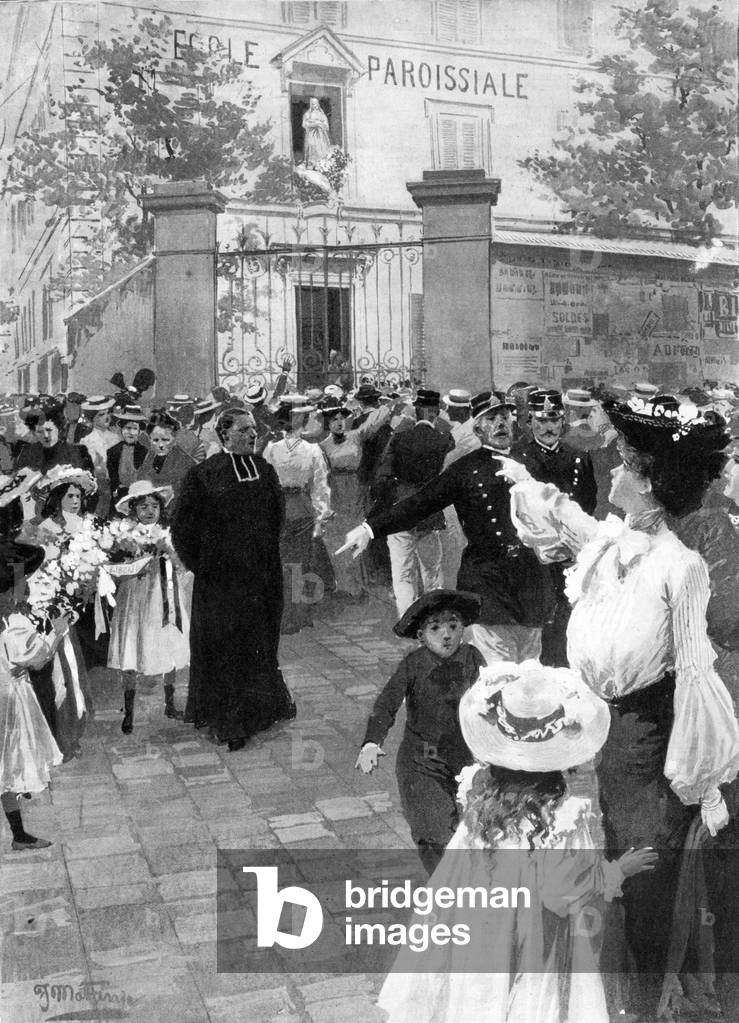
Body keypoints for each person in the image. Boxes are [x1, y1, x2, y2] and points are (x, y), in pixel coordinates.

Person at [497, 396, 739, 1018]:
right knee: (609, 859)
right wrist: (523, 481)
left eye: (628, 465)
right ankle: (620, 993)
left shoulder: (680, 565)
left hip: (648, 732)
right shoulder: (614, 540)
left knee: (645, 868)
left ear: (652, 482)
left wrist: (703, 782)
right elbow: (570, 521)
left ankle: (645, 999)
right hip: (603, 728)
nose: (616, 472)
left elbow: (695, 673)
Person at [375, 659, 657, 1023]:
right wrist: (617, 871)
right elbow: (563, 889)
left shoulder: (482, 804)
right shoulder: (561, 816)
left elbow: (451, 877)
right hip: (533, 940)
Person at [338, 391, 557, 664]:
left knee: (531, 666)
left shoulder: (532, 462)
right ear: (478, 428)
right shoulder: (465, 469)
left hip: (530, 580)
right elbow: (420, 504)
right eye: (491, 419)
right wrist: (370, 529)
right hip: (488, 580)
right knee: (497, 669)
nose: (500, 423)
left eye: (504, 416)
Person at [171, 407, 296, 752]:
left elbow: (277, 518)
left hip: (261, 576)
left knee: (259, 641)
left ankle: (262, 709)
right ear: (224, 434)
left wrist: (261, 556)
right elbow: (182, 530)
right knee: (225, 646)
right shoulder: (203, 474)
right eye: (244, 430)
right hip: (220, 582)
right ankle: (230, 721)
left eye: (254, 429)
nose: (252, 435)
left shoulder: (264, 470)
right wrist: (206, 567)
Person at [356, 589, 485, 873]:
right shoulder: (413, 665)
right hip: (422, 761)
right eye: (435, 628)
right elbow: (387, 703)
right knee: (433, 828)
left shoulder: (473, 658)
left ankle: (465, 882)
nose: (446, 635)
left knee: (471, 829)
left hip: (465, 758)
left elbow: (490, 696)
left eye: (453, 626)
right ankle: (443, 883)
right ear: (421, 635)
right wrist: (371, 742)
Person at [512, 389, 597, 667]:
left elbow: (588, 503)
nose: (548, 427)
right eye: (541, 420)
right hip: (532, 557)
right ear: (530, 422)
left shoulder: (579, 457)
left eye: (554, 420)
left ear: (563, 421)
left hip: (571, 554)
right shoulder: (518, 458)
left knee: (569, 616)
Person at [0, 540, 68, 850]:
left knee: (6, 767)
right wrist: (57, 631)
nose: (25, 588)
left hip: (8, 691)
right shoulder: (13, 622)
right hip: (9, 698)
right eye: (21, 582)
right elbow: (37, 657)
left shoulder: (11, 618)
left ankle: (19, 835)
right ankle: (19, 835)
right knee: (10, 762)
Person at [108, 480, 189, 734]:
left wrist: (168, 551)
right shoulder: (125, 533)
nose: (150, 511)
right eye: (143, 507)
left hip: (163, 595)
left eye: (154, 506)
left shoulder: (168, 532)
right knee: (133, 645)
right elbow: (117, 564)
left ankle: (170, 703)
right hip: (136, 596)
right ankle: (129, 711)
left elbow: (180, 564)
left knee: (168, 642)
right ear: (134, 509)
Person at [371, 389, 453, 617]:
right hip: (430, 513)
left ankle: (407, 620)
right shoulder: (444, 440)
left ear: (416, 412)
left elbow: (382, 477)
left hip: (401, 512)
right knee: (432, 571)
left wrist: (394, 496)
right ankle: (434, 618)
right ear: (436, 413)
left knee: (403, 573)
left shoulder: (399, 438)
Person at [263, 401, 332, 633]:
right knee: (284, 564)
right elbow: (265, 483)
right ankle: (284, 615)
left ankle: (298, 615)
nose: (302, 420)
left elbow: (320, 486)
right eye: (299, 417)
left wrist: (321, 517)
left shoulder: (312, 450)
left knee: (299, 564)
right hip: (279, 509)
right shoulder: (272, 448)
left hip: (301, 509)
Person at [320, 397, 392, 602]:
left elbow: (377, 419)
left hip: (357, 489)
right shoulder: (323, 446)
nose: (339, 423)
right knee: (340, 537)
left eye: (342, 419)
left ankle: (360, 586)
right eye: (334, 420)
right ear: (328, 424)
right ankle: (347, 586)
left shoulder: (356, 436)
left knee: (358, 534)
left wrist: (387, 403)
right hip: (336, 491)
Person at [135, 409, 196, 501]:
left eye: (165, 440)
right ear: (149, 439)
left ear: (174, 439)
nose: (160, 445)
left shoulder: (186, 463)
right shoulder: (149, 458)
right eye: (155, 440)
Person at [79, 395, 120, 517]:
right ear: (93, 419)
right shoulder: (87, 441)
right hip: (98, 487)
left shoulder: (117, 437)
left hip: (116, 485)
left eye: (108, 413)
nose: (107, 417)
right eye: (101, 415)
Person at [106, 404, 148, 506]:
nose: (131, 432)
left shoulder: (144, 452)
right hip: (119, 496)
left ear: (139, 431)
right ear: (122, 429)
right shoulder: (113, 451)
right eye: (127, 428)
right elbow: (112, 478)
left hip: (139, 495)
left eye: (134, 428)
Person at [302, 97, 332, 168]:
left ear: (318, 104)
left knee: (321, 149)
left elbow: (326, 126)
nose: (314, 105)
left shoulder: (322, 115)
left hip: (321, 136)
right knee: (312, 147)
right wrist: (314, 124)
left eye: (315, 104)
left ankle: (321, 165)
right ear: (310, 105)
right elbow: (304, 124)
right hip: (311, 135)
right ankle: (311, 164)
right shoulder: (307, 114)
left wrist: (320, 124)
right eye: (312, 104)